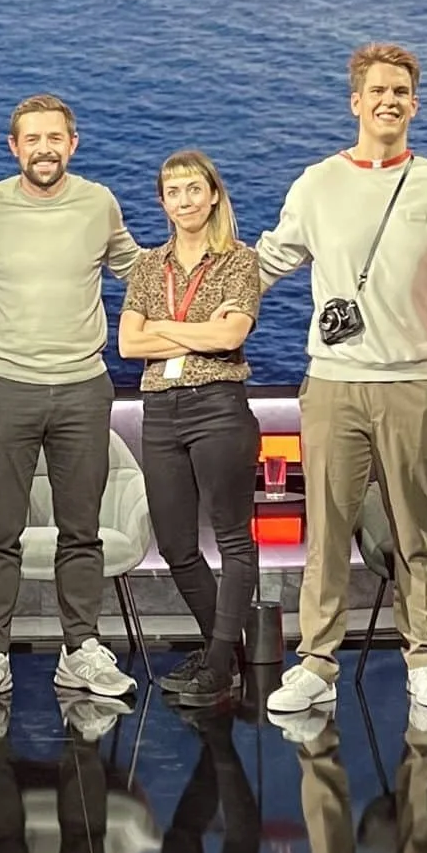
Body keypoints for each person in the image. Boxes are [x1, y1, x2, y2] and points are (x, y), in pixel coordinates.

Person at [257, 43, 427, 722]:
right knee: (327, 528)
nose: (390, 101)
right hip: (334, 382)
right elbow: (268, 260)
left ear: (415, 103)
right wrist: (188, 293)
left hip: (415, 382)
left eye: (401, 91)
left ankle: (424, 655)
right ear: (355, 102)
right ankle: (316, 661)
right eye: (377, 91)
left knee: (415, 527)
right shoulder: (317, 183)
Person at [0, 93, 140, 707]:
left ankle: (79, 650)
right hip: (5, 388)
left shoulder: (98, 204)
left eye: (54, 138)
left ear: (72, 143)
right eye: (31, 139)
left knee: (80, 530)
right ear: (14, 147)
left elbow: (134, 269)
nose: (43, 149)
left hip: (84, 388)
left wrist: (206, 257)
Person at [117, 150, 262, 709]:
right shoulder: (149, 268)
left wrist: (164, 326)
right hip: (160, 412)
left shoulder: (238, 261)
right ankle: (224, 649)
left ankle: (220, 662)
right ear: (163, 202)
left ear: (214, 195)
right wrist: (199, 329)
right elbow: (130, 344)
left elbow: (231, 338)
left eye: (194, 189)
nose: (184, 200)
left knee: (232, 539)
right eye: (173, 192)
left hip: (218, 406)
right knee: (176, 544)